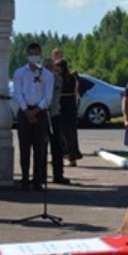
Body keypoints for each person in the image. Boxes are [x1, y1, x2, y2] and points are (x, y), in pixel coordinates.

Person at [13, 42, 54, 191]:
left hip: (40, 113)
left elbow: (48, 96)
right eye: (31, 53)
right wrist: (26, 111)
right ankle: (24, 179)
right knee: (24, 148)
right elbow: (18, 93)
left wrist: (36, 111)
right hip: (24, 113)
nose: (33, 56)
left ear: (40, 54)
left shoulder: (46, 74)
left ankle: (38, 180)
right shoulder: (19, 73)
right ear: (27, 54)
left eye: (36, 53)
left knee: (40, 148)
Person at [44, 57, 69, 185]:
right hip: (41, 115)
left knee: (57, 147)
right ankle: (41, 175)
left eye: (51, 67)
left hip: (54, 114)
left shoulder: (57, 78)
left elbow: (54, 96)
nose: (48, 69)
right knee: (41, 147)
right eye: (46, 67)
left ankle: (58, 175)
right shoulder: (38, 78)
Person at [56, 58, 82, 167]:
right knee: (71, 133)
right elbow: (76, 92)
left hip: (62, 105)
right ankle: (72, 157)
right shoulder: (72, 78)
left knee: (62, 133)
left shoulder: (59, 78)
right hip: (71, 106)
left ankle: (67, 156)